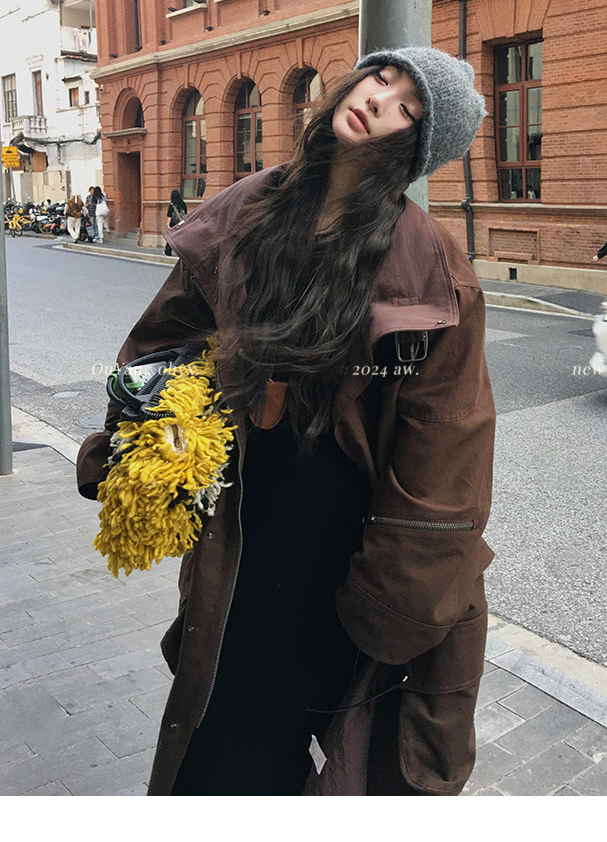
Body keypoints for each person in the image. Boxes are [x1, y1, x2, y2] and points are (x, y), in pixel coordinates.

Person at [75, 47, 496, 797]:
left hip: (349, 550)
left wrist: (390, 596)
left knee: (332, 755)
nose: (379, 100)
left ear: (417, 149)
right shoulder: (249, 206)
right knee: (223, 743)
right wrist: (142, 435)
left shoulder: (432, 263)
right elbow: (163, 341)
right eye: (381, 78)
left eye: (407, 109)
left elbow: (447, 443)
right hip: (242, 526)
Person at [163, 189, 187, 256]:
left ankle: (168, 252)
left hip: (173, 223)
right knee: (181, 238)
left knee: (171, 238)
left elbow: (169, 215)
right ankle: (182, 252)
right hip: (181, 223)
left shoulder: (172, 204)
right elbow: (185, 214)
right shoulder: (183, 204)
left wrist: (168, 224)